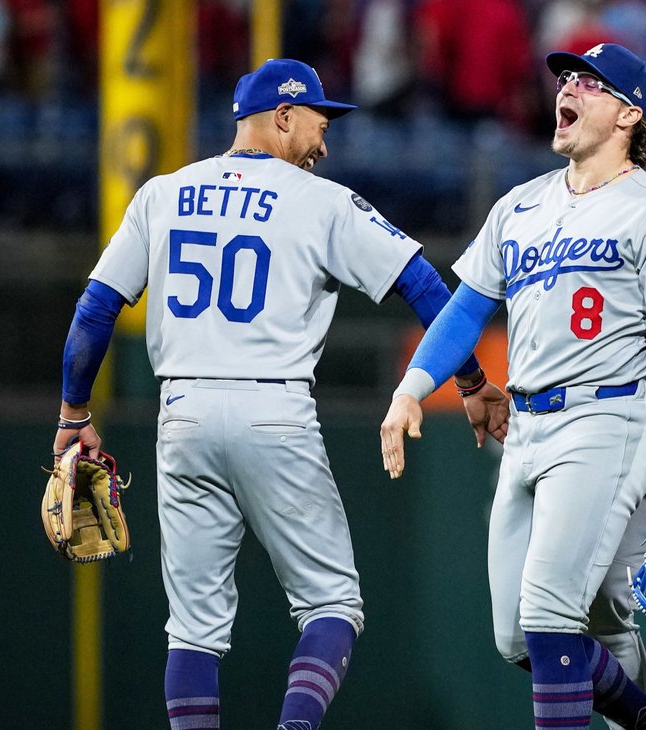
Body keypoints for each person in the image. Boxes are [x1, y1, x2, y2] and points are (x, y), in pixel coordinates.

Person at [50, 58, 507, 730]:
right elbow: (428, 290)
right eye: (319, 123)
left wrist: (73, 416)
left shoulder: (162, 193)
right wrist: (469, 380)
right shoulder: (318, 201)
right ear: (283, 116)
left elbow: (94, 312)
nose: (325, 142)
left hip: (182, 415)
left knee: (193, 632)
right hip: (274, 410)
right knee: (332, 607)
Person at [380, 43, 646, 730]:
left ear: (630, 113)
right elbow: (467, 307)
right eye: (563, 78)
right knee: (518, 639)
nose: (565, 87)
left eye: (587, 83)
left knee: (546, 617)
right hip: (526, 428)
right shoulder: (520, 206)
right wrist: (411, 388)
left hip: (607, 420)